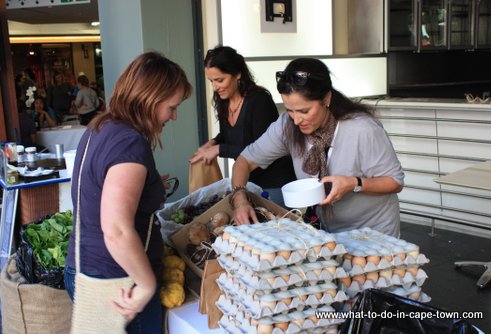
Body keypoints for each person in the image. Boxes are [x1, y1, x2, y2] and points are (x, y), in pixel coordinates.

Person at [63, 51, 192, 333]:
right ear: (150, 98)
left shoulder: (101, 126)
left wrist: (148, 183)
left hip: (88, 266)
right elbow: (117, 230)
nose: (174, 115)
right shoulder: (129, 144)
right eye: (172, 106)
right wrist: (146, 284)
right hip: (117, 279)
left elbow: (98, 189)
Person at [230, 58, 404, 237]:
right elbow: (245, 161)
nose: (296, 120)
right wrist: (240, 197)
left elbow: (395, 182)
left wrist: (354, 183)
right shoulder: (286, 126)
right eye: (289, 110)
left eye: (305, 111)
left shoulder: (361, 129)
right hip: (328, 231)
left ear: (326, 98)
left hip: (374, 232)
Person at [190, 45, 296, 206]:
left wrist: (219, 149)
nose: (214, 87)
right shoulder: (223, 100)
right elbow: (228, 134)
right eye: (211, 81)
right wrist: (213, 142)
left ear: (237, 74)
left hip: (274, 183)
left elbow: (259, 150)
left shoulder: (259, 100)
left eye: (219, 80)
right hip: (249, 181)